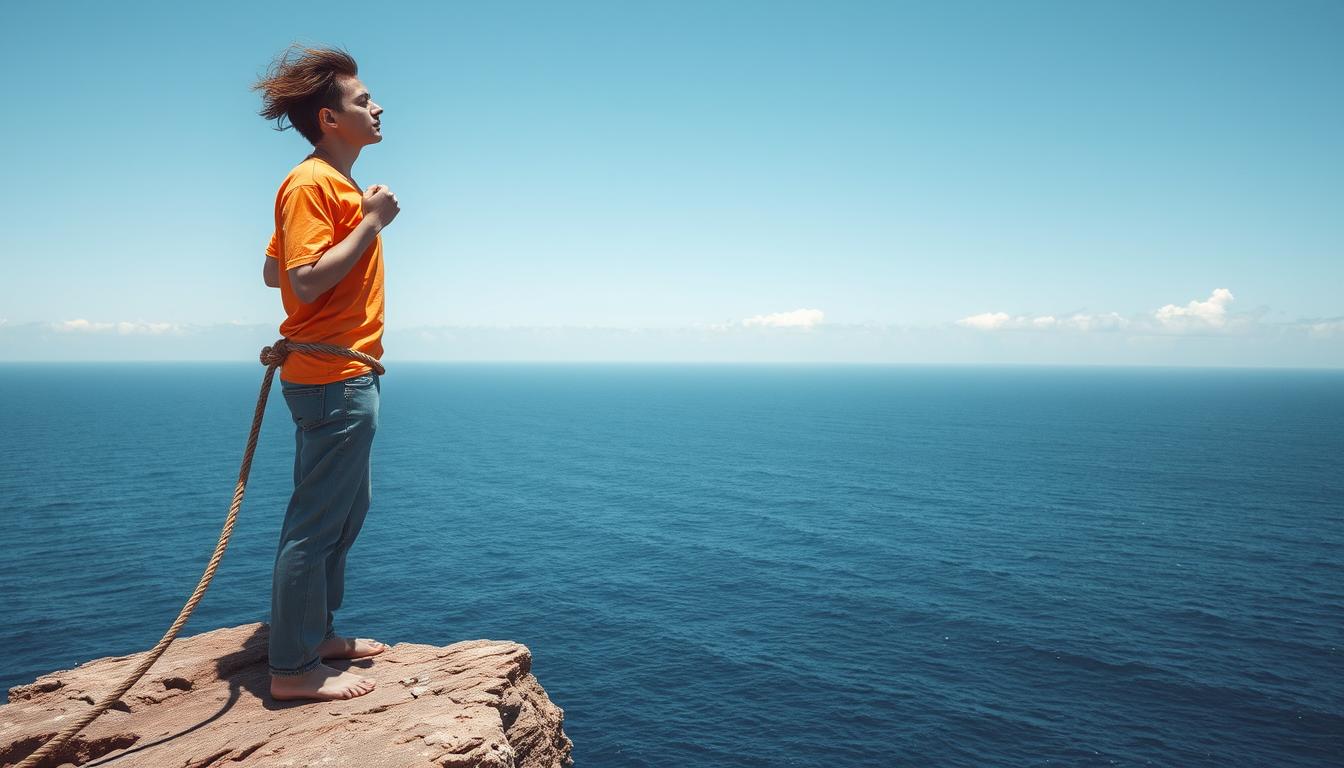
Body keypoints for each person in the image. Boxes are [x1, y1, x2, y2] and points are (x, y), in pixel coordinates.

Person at [254, 45, 400, 701]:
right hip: (332, 379)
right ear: (329, 118)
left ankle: (315, 634)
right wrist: (369, 222)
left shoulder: (328, 186)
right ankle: (292, 670)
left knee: (344, 513)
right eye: (362, 100)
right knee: (316, 523)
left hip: (341, 374)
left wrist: (354, 216)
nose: (376, 106)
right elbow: (304, 282)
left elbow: (273, 270)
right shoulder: (314, 183)